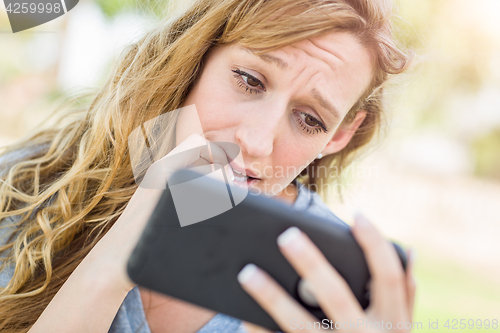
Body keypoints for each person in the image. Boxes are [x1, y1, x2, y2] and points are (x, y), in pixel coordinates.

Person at [0, 0, 416, 332]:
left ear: (339, 135)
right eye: (250, 80)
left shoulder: (332, 294)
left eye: (310, 119)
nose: (255, 141)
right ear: (196, 57)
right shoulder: (20, 189)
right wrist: (107, 270)